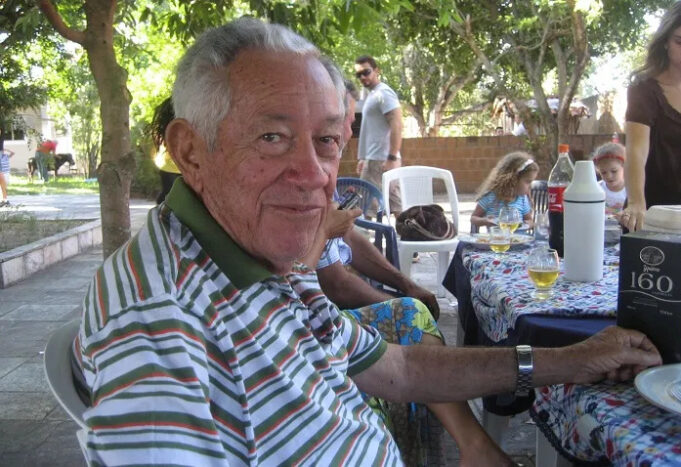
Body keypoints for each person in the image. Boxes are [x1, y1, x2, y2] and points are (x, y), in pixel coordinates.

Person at [73, 18, 661, 465]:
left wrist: (571, 360)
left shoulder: (265, 263)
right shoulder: (158, 327)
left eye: (327, 141)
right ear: (191, 151)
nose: (314, 175)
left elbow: (398, 368)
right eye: (272, 137)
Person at [622, 1, 681, 232]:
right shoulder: (644, 89)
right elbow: (636, 150)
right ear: (665, 41)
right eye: (680, 42)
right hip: (651, 217)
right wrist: (637, 202)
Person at [355, 55, 402, 214]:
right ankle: (409, 229)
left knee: (364, 210)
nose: (363, 77)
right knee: (396, 208)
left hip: (380, 160)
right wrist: (363, 157)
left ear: (377, 71)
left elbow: (397, 124)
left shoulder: (384, 93)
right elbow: (371, 130)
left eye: (366, 72)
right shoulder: (373, 95)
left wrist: (392, 157)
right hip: (376, 158)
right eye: (359, 74)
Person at [471, 151, 538, 230]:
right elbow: (473, 218)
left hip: (519, 238)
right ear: (513, 179)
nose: (531, 186)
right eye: (528, 182)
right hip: (497, 237)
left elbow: (529, 220)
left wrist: (528, 224)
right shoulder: (490, 197)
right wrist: (485, 221)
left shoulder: (522, 199)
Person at [150, 96, 182, 204]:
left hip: (167, 163)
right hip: (172, 164)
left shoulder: (163, 129)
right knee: (171, 193)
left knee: (168, 192)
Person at [591, 142, 626, 217]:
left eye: (614, 171)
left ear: (624, 167)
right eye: (603, 172)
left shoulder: (631, 190)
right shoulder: (597, 189)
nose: (609, 176)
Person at [0, 131, 13, 207]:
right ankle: (4, 200)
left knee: (2, 180)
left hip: (5, 172)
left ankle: (4, 200)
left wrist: (5, 150)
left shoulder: (5, 156)